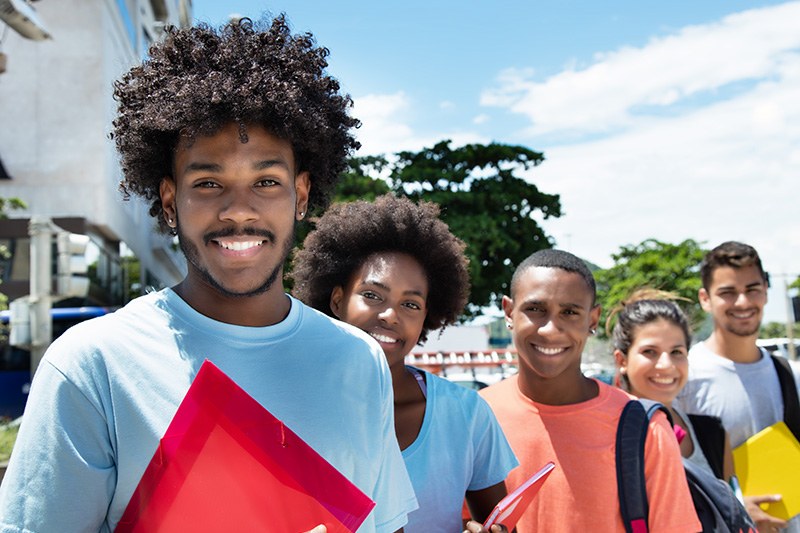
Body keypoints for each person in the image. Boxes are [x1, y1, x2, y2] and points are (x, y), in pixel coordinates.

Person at [0, 17, 416, 533]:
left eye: (266, 180)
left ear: (301, 195)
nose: (238, 211)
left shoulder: (359, 362)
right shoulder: (93, 366)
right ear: (170, 201)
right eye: (208, 182)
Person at [291, 194, 519, 533]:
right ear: (337, 300)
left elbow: (501, 526)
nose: (390, 315)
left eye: (410, 304)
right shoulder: (289, 410)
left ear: (426, 315)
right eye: (372, 295)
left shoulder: (467, 414)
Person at [480, 249, 701, 532]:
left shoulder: (647, 429)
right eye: (535, 309)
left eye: (570, 312)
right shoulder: (475, 416)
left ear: (593, 320)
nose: (550, 329)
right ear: (509, 312)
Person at [675, 241, 800, 533]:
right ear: (705, 299)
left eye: (752, 289)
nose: (743, 302)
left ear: (766, 291)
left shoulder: (790, 375)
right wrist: (738, 506)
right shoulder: (682, 378)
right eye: (728, 293)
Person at [610, 289, 737, 482]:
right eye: (650, 351)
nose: (666, 365)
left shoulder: (712, 432)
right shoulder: (604, 436)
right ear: (622, 361)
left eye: (677, 352)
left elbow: (730, 503)